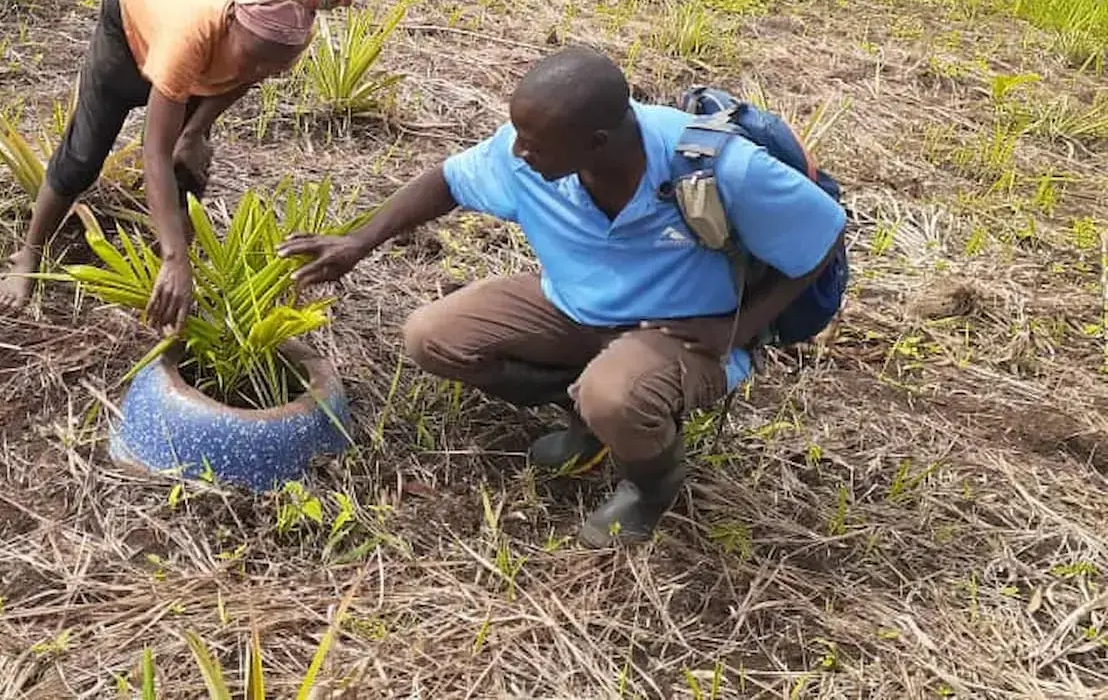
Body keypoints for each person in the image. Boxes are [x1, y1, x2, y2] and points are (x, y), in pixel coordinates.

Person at [281, 47, 846, 548]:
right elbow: (448, 182)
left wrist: (741, 329)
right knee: (434, 337)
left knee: (616, 396)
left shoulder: (718, 167)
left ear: (596, 143)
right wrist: (360, 241)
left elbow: (823, 232)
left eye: (533, 143)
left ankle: (651, 482)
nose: (518, 152)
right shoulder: (533, 152)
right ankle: (588, 416)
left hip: (678, 333)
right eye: (518, 135)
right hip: (575, 308)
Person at [0, 0, 355, 324]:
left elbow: (242, 77)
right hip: (133, 12)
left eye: (273, 66)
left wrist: (195, 131)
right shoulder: (189, 36)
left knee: (189, 164)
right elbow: (154, 152)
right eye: (253, 59)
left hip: (200, 34)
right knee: (85, 154)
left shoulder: (287, 29)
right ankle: (30, 253)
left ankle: (167, 281)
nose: (261, 71)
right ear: (231, 22)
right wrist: (175, 256)